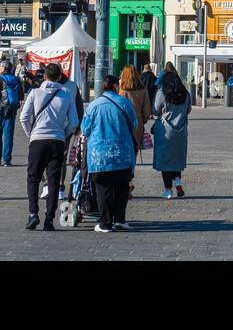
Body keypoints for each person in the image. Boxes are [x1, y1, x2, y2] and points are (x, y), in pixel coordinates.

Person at [19, 62, 80, 231]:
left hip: (37, 140)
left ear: (45, 76)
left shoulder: (35, 93)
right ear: (60, 76)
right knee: (53, 180)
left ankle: (33, 214)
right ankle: (49, 219)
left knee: (33, 178)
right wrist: (63, 133)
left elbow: (24, 117)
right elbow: (74, 122)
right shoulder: (67, 94)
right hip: (57, 141)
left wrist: (31, 134)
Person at [81, 76, 139, 232]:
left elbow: (85, 129)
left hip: (99, 156)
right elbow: (134, 124)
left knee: (103, 189)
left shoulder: (93, 106)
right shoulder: (125, 103)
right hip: (123, 154)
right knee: (121, 188)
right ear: (115, 86)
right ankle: (120, 219)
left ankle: (105, 222)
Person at [151, 62, 192, 198]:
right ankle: (178, 181)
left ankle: (168, 190)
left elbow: (156, 110)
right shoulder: (185, 94)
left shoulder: (162, 93)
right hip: (181, 131)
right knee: (177, 158)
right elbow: (189, 110)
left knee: (165, 160)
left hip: (165, 131)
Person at [0, 60, 22, 166]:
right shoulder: (16, 79)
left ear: (4, 68)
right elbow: (21, 95)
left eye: (0, 67)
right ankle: (7, 159)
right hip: (11, 109)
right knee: (8, 135)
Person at [120, 65, 151, 159]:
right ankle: (131, 169)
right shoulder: (143, 89)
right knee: (135, 149)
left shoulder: (122, 90)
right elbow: (147, 110)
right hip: (138, 122)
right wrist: (143, 119)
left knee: (124, 149)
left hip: (124, 122)